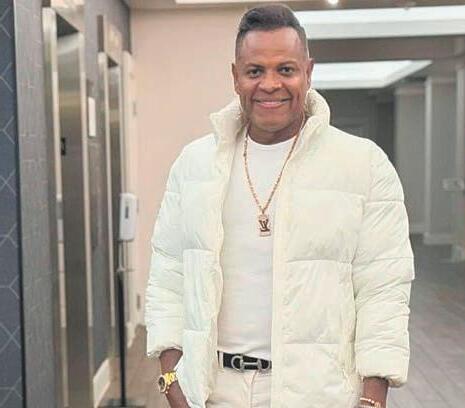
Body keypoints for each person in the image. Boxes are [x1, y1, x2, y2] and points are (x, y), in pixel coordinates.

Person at [145, 4, 415, 408]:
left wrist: (373, 398)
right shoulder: (195, 164)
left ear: (308, 72)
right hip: (213, 393)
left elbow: (384, 288)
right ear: (235, 76)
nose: (270, 84)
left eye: (285, 69)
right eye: (255, 71)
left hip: (320, 395)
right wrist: (171, 380)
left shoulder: (363, 164)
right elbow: (168, 275)